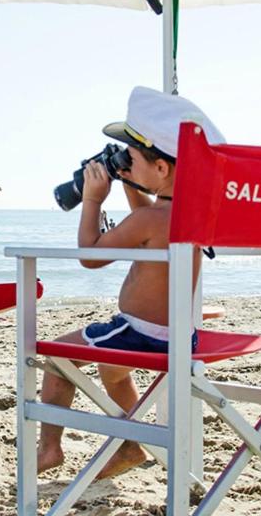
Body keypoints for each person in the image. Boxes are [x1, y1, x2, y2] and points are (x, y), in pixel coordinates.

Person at [36, 86, 224, 480]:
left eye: (132, 159)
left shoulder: (149, 221)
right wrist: (129, 183)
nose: (127, 164)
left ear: (161, 170)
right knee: (112, 372)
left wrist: (92, 200)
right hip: (176, 336)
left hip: (137, 333)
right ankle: (129, 446)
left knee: (57, 358)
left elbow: (91, 255)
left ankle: (49, 448)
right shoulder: (184, 215)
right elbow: (148, 230)